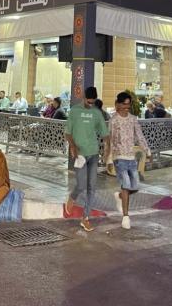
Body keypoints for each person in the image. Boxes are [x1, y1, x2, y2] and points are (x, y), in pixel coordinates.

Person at [65, 85, 110, 232]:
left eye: (93, 102)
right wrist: (73, 146)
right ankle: (72, 197)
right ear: (84, 98)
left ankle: (85, 218)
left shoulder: (97, 113)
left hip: (93, 154)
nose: (90, 105)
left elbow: (104, 133)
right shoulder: (74, 111)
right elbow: (67, 133)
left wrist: (107, 149)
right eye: (88, 102)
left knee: (92, 187)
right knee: (81, 185)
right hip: (80, 155)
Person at [107, 91, 151, 230]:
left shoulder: (133, 119)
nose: (127, 107)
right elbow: (110, 141)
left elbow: (139, 135)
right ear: (118, 104)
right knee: (126, 184)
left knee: (135, 186)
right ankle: (126, 217)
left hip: (131, 157)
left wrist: (147, 150)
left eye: (128, 104)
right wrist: (109, 159)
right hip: (119, 157)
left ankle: (120, 196)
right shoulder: (113, 120)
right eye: (124, 104)